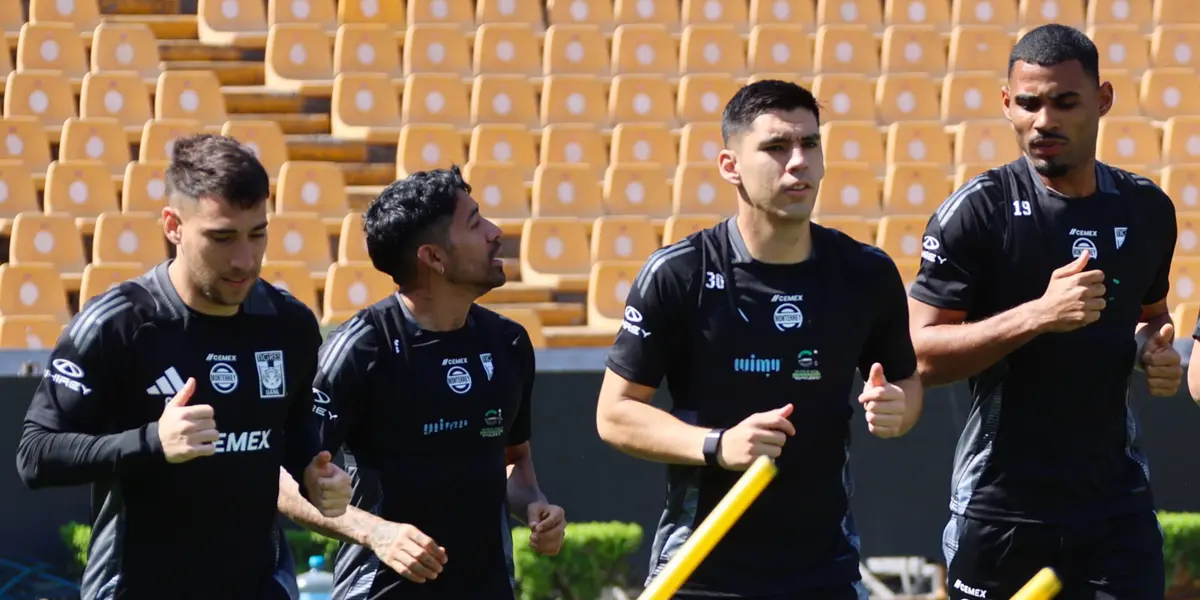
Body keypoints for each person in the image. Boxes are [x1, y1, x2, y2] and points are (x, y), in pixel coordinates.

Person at [595, 79, 924, 599]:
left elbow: (906, 385)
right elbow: (614, 415)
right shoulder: (678, 273)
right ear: (730, 166)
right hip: (699, 568)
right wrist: (717, 445)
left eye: (809, 144)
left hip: (825, 571)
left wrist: (897, 409)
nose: (798, 162)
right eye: (775, 147)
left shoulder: (866, 272)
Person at [907, 24, 1184, 600]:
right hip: (1001, 511)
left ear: (1103, 100)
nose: (1044, 121)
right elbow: (918, 356)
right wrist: (1037, 315)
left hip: (1117, 513)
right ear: (1007, 103)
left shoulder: (1146, 209)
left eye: (1064, 102)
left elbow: (1149, 318)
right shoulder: (977, 212)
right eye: (1028, 104)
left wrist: (1151, 351)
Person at [15, 134, 353, 600]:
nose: (245, 259)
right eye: (222, 237)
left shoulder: (289, 325)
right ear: (173, 226)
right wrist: (152, 441)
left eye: (258, 234)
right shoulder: (119, 324)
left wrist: (318, 477)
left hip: (258, 586)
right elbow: (34, 455)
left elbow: (293, 437)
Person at [276, 165, 567, 600]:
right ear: (433, 257)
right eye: (475, 223)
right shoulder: (362, 348)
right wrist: (375, 532)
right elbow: (281, 476)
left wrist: (535, 506)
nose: (495, 232)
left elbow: (512, 459)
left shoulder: (508, 342)